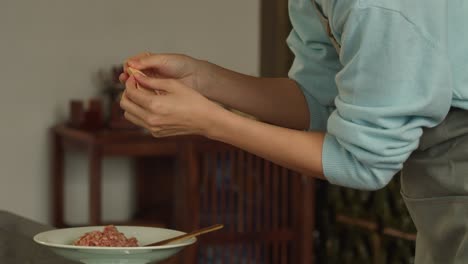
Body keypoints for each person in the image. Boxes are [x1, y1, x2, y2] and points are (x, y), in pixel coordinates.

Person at [119, 0, 468, 263]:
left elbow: (363, 163)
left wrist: (212, 122)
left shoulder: (372, 5)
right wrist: (204, 81)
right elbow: (318, 100)